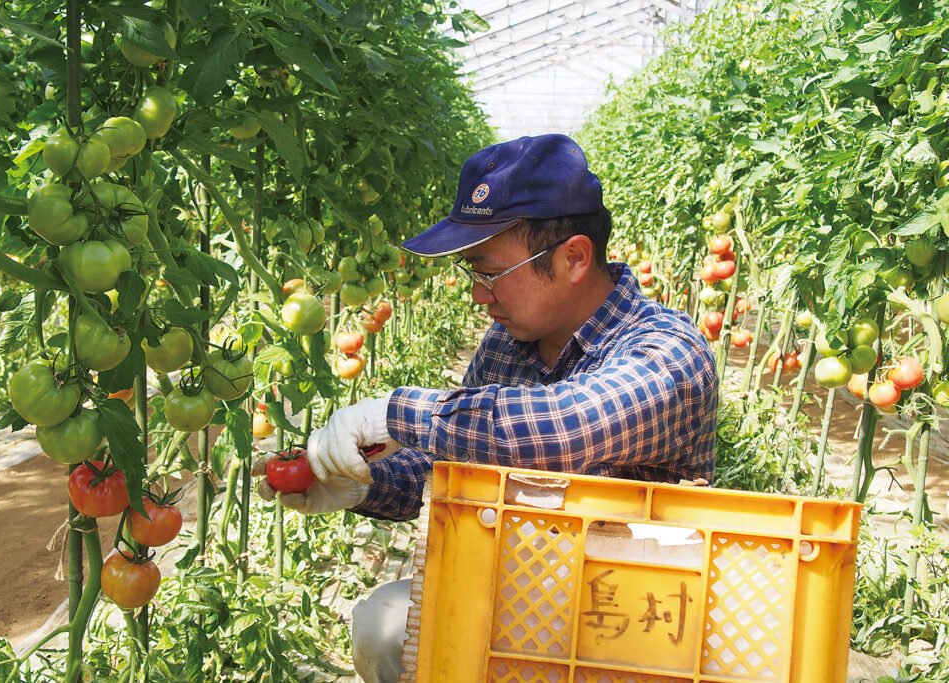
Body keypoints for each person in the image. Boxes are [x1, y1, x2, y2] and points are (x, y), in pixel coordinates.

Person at [252, 133, 719, 683]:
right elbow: (449, 475)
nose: (479, 294)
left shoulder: (668, 350)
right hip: (518, 596)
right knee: (383, 623)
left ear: (573, 257)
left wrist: (395, 413)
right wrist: (364, 484)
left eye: (490, 271)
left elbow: (569, 427)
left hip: (633, 625)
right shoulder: (506, 346)